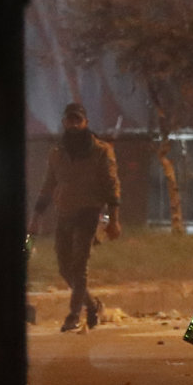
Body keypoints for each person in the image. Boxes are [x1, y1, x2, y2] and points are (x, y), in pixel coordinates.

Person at [28, 103, 121, 332]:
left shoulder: (100, 151)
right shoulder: (57, 153)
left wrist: (114, 219)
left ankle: (73, 315)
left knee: (79, 265)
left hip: (88, 213)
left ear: (85, 122)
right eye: (70, 120)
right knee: (64, 267)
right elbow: (48, 185)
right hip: (64, 213)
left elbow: (111, 185)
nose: (74, 125)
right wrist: (37, 216)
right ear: (64, 123)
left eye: (78, 120)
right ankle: (93, 305)